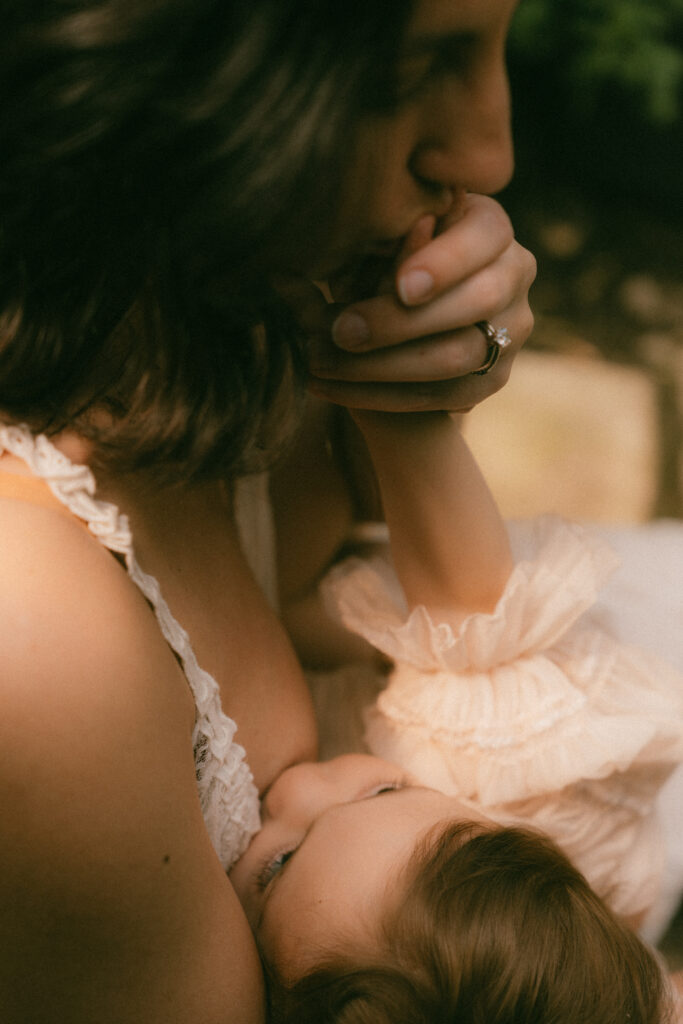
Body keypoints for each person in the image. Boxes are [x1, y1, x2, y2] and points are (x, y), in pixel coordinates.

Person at [0, 0, 536, 1021]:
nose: (489, 152)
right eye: (420, 60)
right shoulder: (32, 634)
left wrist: (417, 408)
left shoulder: (211, 318)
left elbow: (336, 605)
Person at [229, 409, 683, 1022]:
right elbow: (470, 608)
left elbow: (292, 622)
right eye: (385, 787)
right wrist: (400, 405)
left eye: (280, 865)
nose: (296, 785)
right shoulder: (512, 765)